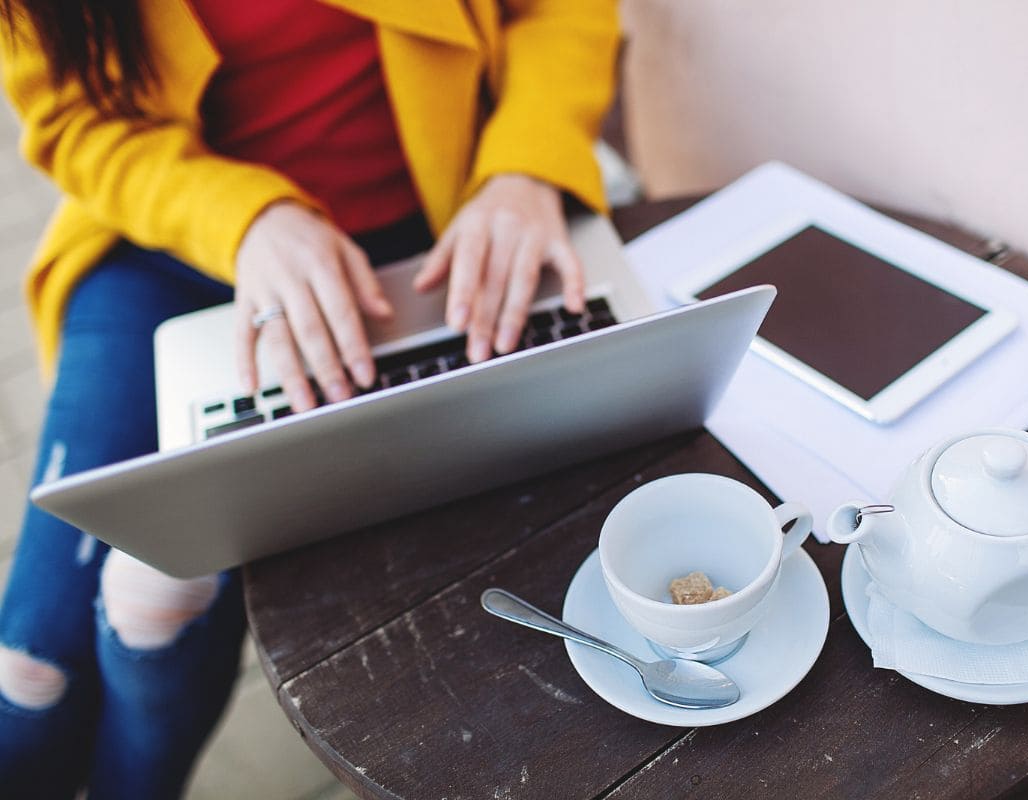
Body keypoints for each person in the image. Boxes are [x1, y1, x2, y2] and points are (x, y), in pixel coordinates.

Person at [0, 1, 618, 797]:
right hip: (170, 238)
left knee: (154, 603)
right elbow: (75, 121)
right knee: (30, 669)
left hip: (426, 231)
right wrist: (249, 219)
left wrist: (527, 165)